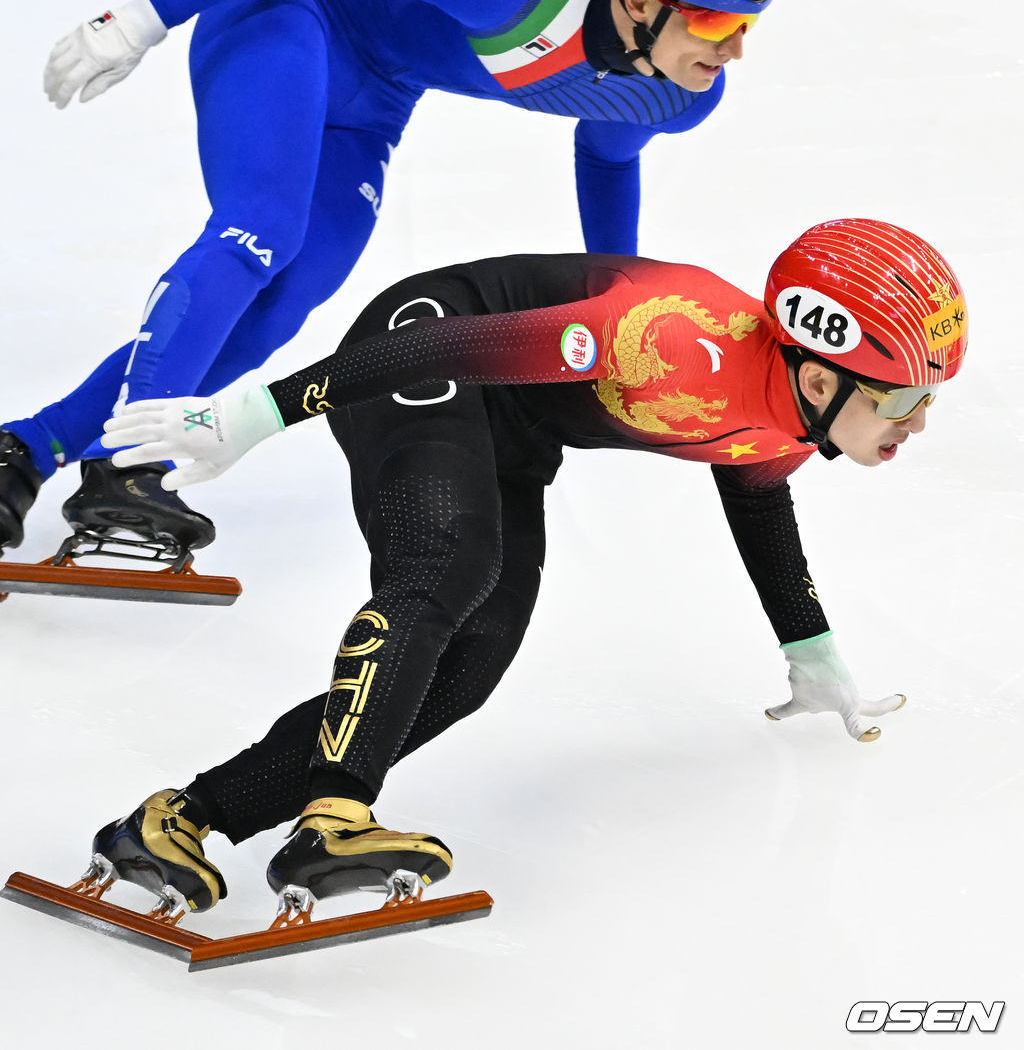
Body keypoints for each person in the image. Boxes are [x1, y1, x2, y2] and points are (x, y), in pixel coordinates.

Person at [74, 218, 967, 918]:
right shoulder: (664, 337)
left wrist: (810, 646)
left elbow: (758, 496)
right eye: (907, 400)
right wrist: (261, 412)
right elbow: (449, 349)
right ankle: (335, 817)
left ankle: (177, 819)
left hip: (515, 428)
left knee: (472, 663)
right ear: (822, 379)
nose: (918, 424)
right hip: (422, 348)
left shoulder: (791, 416)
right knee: (446, 566)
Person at [0, 0, 780, 560]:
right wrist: (138, 18)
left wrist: (623, 305)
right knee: (260, 228)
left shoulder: (677, 92)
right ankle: (128, 460)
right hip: (288, 7)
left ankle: (28, 448)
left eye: (747, 26)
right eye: (714, 23)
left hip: (375, 97)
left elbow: (608, 158)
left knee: (283, 303)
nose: (734, 50)